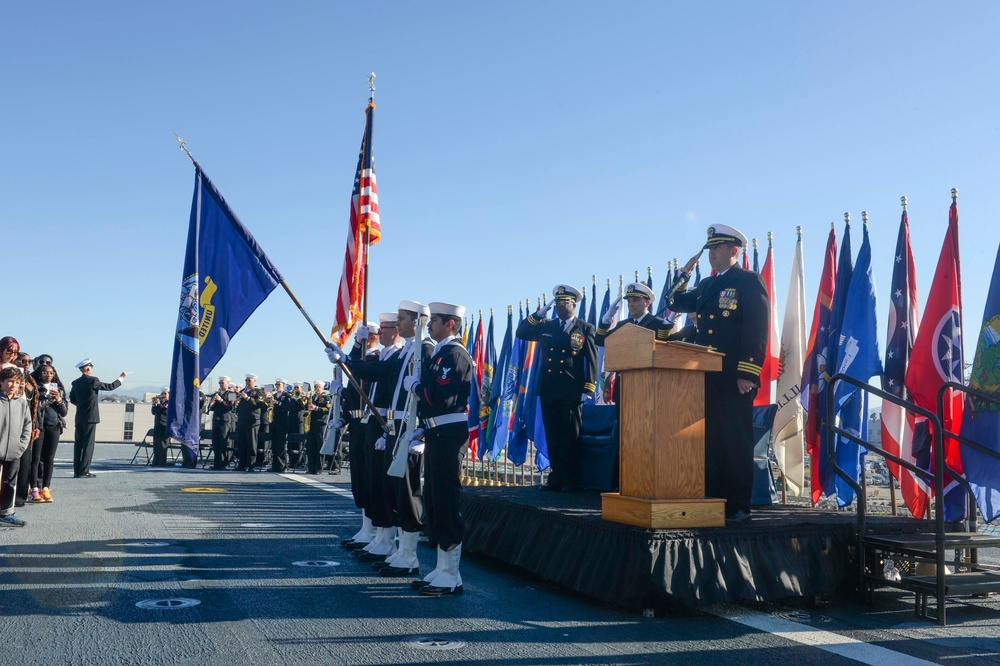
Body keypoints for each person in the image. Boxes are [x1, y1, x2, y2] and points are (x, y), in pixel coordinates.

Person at [667, 224, 769, 523]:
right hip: (704, 375)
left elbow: (756, 329)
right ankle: (712, 499)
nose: (712, 253)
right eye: (710, 248)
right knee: (709, 441)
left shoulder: (748, 281)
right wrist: (683, 275)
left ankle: (738, 505)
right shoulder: (707, 286)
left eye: (717, 248)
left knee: (734, 441)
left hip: (733, 376)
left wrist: (748, 372)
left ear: (734, 251)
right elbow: (673, 302)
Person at [402, 301, 474, 596]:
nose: (429, 325)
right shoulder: (441, 353)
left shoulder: (455, 354)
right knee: (433, 498)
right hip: (437, 432)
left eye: (436, 320)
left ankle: (452, 573)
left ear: (451, 324)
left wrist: (417, 388)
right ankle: (443, 569)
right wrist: (424, 426)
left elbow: (441, 396)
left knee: (445, 499)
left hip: (448, 434)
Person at [515, 284, 598, 492]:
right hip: (549, 388)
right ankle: (557, 477)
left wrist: (589, 387)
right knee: (552, 434)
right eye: (558, 303)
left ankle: (571, 479)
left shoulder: (584, 328)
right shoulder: (547, 326)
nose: (560, 307)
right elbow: (522, 332)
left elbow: (592, 360)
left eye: (565, 303)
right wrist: (537, 314)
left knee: (570, 436)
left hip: (571, 389)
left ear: (574, 305)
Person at [334, 321, 384, 548]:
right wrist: (343, 416)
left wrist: (342, 390)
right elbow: (354, 383)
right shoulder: (363, 359)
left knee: (368, 476)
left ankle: (372, 528)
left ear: (373, 337)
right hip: (356, 422)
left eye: (363, 338)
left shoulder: (377, 359)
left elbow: (358, 380)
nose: (361, 341)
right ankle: (366, 526)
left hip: (368, 422)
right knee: (358, 474)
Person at [69, 358, 126, 478]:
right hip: (91, 417)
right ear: (89, 368)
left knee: (78, 444)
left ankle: (76, 470)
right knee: (88, 445)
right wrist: (121, 378)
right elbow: (109, 387)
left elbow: (73, 399)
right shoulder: (93, 380)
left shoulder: (75, 383)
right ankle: (84, 471)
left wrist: (82, 405)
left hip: (79, 416)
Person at [29, 362, 67, 503]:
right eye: (45, 373)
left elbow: (64, 412)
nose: (49, 375)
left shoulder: (59, 389)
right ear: (39, 373)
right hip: (39, 426)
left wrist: (58, 399)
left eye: (51, 373)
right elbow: (36, 408)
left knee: (49, 459)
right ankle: (34, 489)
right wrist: (48, 399)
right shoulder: (35, 387)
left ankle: (46, 487)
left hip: (54, 426)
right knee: (36, 459)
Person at [1, 366, 33, 526]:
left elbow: (28, 424)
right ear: (2, 382)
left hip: (15, 450)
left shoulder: (21, 403)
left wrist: (22, 445)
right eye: (10, 381)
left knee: (9, 483)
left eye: (16, 382)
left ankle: (7, 513)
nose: (13, 385)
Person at [234, 374, 265, 471]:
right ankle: (241, 464)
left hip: (252, 421)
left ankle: (251, 464)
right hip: (242, 420)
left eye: (249, 380)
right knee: (241, 443)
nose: (247, 382)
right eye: (246, 380)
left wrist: (247, 398)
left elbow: (259, 404)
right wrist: (237, 401)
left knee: (251, 443)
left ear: (254, 381)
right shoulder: (243, 391)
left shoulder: (258, 392)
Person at [209, 376, 236, 469]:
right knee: (215, 442)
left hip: (225, 420)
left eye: (222, 383)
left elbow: (231, 407)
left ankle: (223, 463)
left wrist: (221, 400)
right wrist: (212, 402)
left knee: (223, 442)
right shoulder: (216, 393)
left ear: (227, 383)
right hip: (216, 420)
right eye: (219, 383)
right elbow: (211, 408)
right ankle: (216, 463)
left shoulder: (232, 394)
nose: (221, 384)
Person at [305, 381, 331, 474]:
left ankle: (319, 468)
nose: (317, 388)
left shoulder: (326, 397)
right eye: (316, 386)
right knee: (311, 447)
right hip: (311, 424)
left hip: (321, 424)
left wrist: (316, 408)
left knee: (320, 446)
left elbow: (328, 409)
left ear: (322, 388)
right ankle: (311, 468)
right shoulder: (311, 397)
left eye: (319, 387)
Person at [150, 388, 170, 467]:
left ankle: (162, 462)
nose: (163, 396)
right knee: (156, 444)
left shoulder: (169, 403)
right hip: (157, 425)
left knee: (163, 445)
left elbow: (163, 409)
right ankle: (156, 461)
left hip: (164, 425)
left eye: (165, 394)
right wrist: (154, 404)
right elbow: (153, 412)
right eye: (162, 394)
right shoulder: (160, 403)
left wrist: (158, 404)